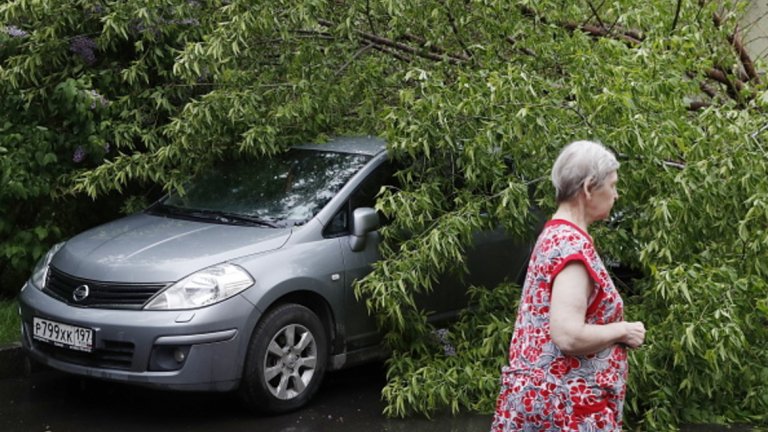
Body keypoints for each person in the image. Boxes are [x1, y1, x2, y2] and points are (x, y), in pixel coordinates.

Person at [490, 140, 646, 431]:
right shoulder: (571, 247)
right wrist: (624, 330)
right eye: (612, 185)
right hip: (567, 409)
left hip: (543, 399)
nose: (616, 194)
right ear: (588, 188)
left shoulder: (554, 234)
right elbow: (568, 336)